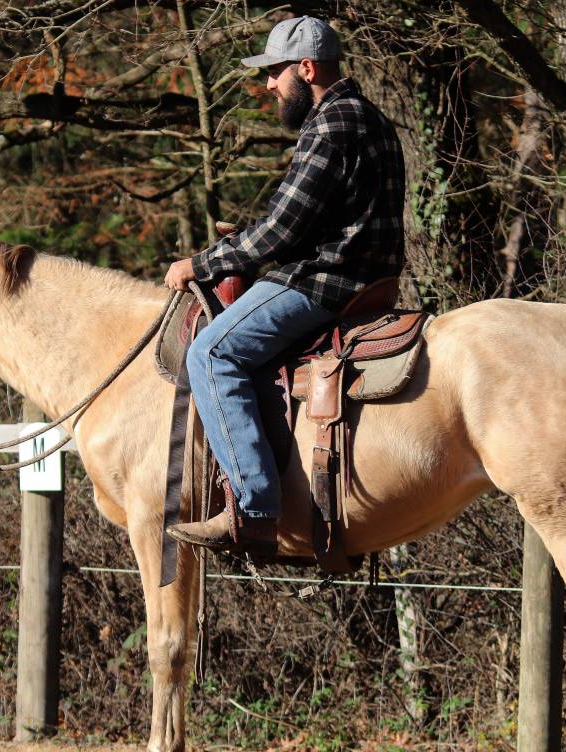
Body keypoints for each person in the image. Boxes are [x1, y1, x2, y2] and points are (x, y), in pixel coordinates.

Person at [163, 15, 405, 553]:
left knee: (210, 353)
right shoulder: (373, 119)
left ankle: (252, 509)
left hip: (327, 284)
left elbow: (280, 231)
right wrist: (244, 244)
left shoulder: (330, 125)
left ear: (307, 67)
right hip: (370, 280)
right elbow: (316, 219)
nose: (269, 84)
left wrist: (200, 264)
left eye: (275, 72)